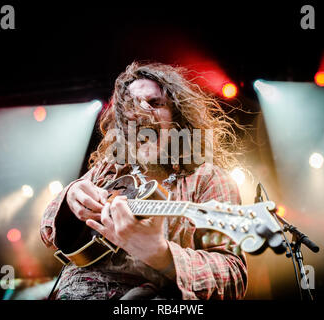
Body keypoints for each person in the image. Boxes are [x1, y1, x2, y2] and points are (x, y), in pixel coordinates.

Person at [40, 62, 248, 300]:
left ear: (178, 117)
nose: (140, 111)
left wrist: (160, 254)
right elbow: (47, 231)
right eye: (131, 104)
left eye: (155, 103)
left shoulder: (208, 179)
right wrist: (71, 197)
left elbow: (233, 277)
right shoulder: (109, 169)